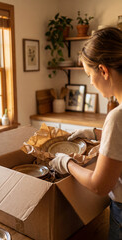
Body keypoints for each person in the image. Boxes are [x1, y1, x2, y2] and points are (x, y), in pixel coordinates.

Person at [49, 27, 122, 240]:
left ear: (103, 70)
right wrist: (95, 132)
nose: (91, 82)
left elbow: (100, 186)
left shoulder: (117, 116)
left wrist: (67, 163)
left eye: (90, 75)